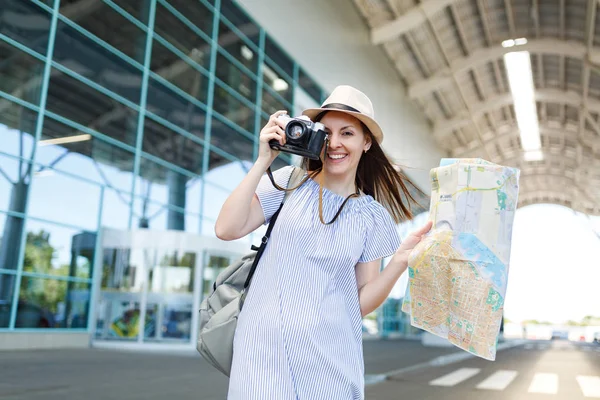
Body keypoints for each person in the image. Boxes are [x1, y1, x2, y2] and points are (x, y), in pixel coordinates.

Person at [215, 85, 432, 400]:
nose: (335, 143)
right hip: (261, 352)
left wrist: (400, 262)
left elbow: (360, 303)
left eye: (347, 133)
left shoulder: (372, 217)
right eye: (327, 132)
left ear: (366, 142)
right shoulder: (288, 182)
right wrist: (264, 160)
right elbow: (226, 228)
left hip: (331, 360)